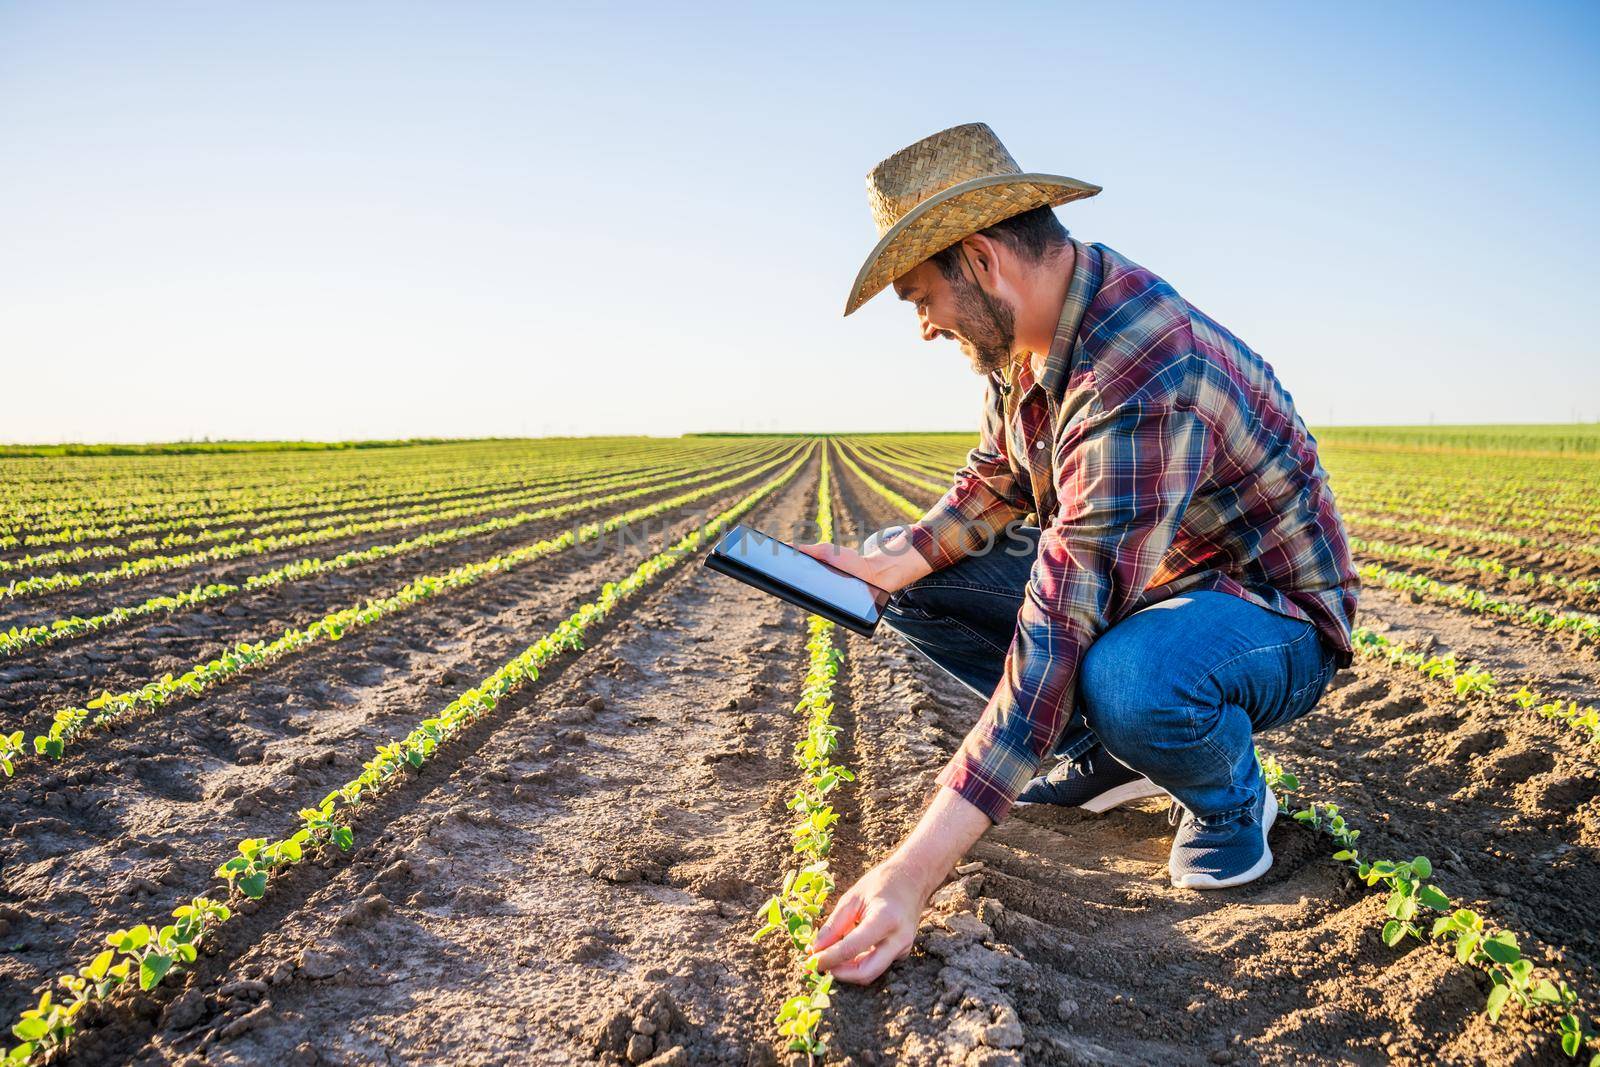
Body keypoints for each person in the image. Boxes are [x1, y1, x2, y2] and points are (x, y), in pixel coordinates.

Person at [796, 123, 1359, 986]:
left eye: (918, 297)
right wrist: (893, 562)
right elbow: (999, 474)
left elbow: (1057, 630)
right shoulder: (1024, 336)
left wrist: (910, 875)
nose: (922, 327)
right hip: (1153, 582)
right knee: (907, 575)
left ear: (980, 261)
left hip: (1264, 615)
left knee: (1134, 679)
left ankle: (1229, 800)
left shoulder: (1136, 370)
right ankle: (1114, 752)